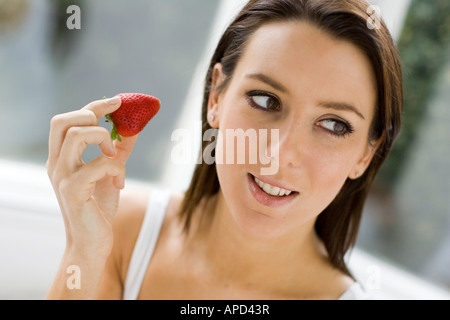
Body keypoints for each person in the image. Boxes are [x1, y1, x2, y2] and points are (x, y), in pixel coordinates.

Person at [46, 0, 403, 300]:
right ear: (216, 97)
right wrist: (85, 252)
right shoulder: (123, 236)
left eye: (334, 125)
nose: (278, 154)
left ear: (365, 155)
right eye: (265, 100)